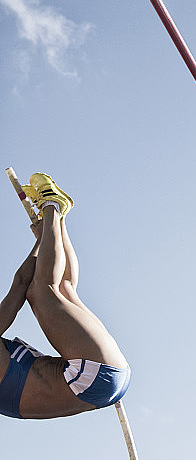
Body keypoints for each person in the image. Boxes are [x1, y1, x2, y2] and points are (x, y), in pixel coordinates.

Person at [0, 172, 130, 419]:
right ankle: (52, 203)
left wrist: (48, 235)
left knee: (65, 289)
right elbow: (19, 285)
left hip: (100, 377)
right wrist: (41, 240)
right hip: (90, 375)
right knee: (41, 292)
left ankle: (59, 218)